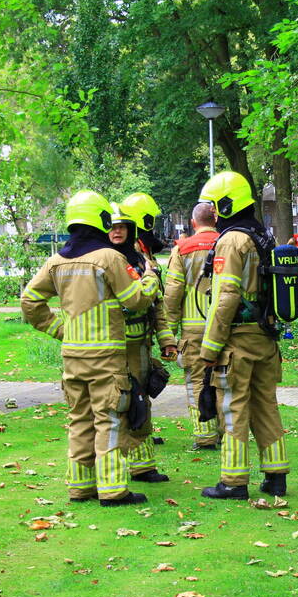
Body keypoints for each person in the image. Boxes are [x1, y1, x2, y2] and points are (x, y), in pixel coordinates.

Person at [21, 190, 161, 507]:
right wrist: (150, 279)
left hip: (72, 358)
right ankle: (113, 489)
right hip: (107, 360)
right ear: (100, 219)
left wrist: (59, 330)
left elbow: (29, 302)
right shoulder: (110, 258)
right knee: (109, 420)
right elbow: (134, 300)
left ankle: (80, 487)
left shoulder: (56, 262)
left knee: (79, 421)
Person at [197, 171, 289, 499]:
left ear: (226, 203)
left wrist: (209, 349)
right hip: (266, 338)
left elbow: (225, 297)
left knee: (233, 407)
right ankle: (276, 477)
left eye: (215, 205)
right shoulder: (262, 236)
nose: (213, 212)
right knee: (266, 405)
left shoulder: (231, 240)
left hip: (237, 341)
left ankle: (233, 483)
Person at [110, 193, 177, 483]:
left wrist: (167, 341)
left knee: (141, 403)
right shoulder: (103, 261)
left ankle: (143, 467)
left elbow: (157, 305)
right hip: (110, 348)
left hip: (139, 347)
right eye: (112, 227)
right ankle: (112, 469)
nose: (117, 231)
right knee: (115, 405)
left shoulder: (140, 260)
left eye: (122, 226)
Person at [163, 202, 220, 451]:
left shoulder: (182, 250)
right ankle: (228, 432)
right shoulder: (228, 243)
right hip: (227, 327)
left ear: (193, 223)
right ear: (215, 221)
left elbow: (173, 295)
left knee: (197, 380)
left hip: (194, 330)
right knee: (226, 381)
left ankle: (204, 435)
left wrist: (169, 333)